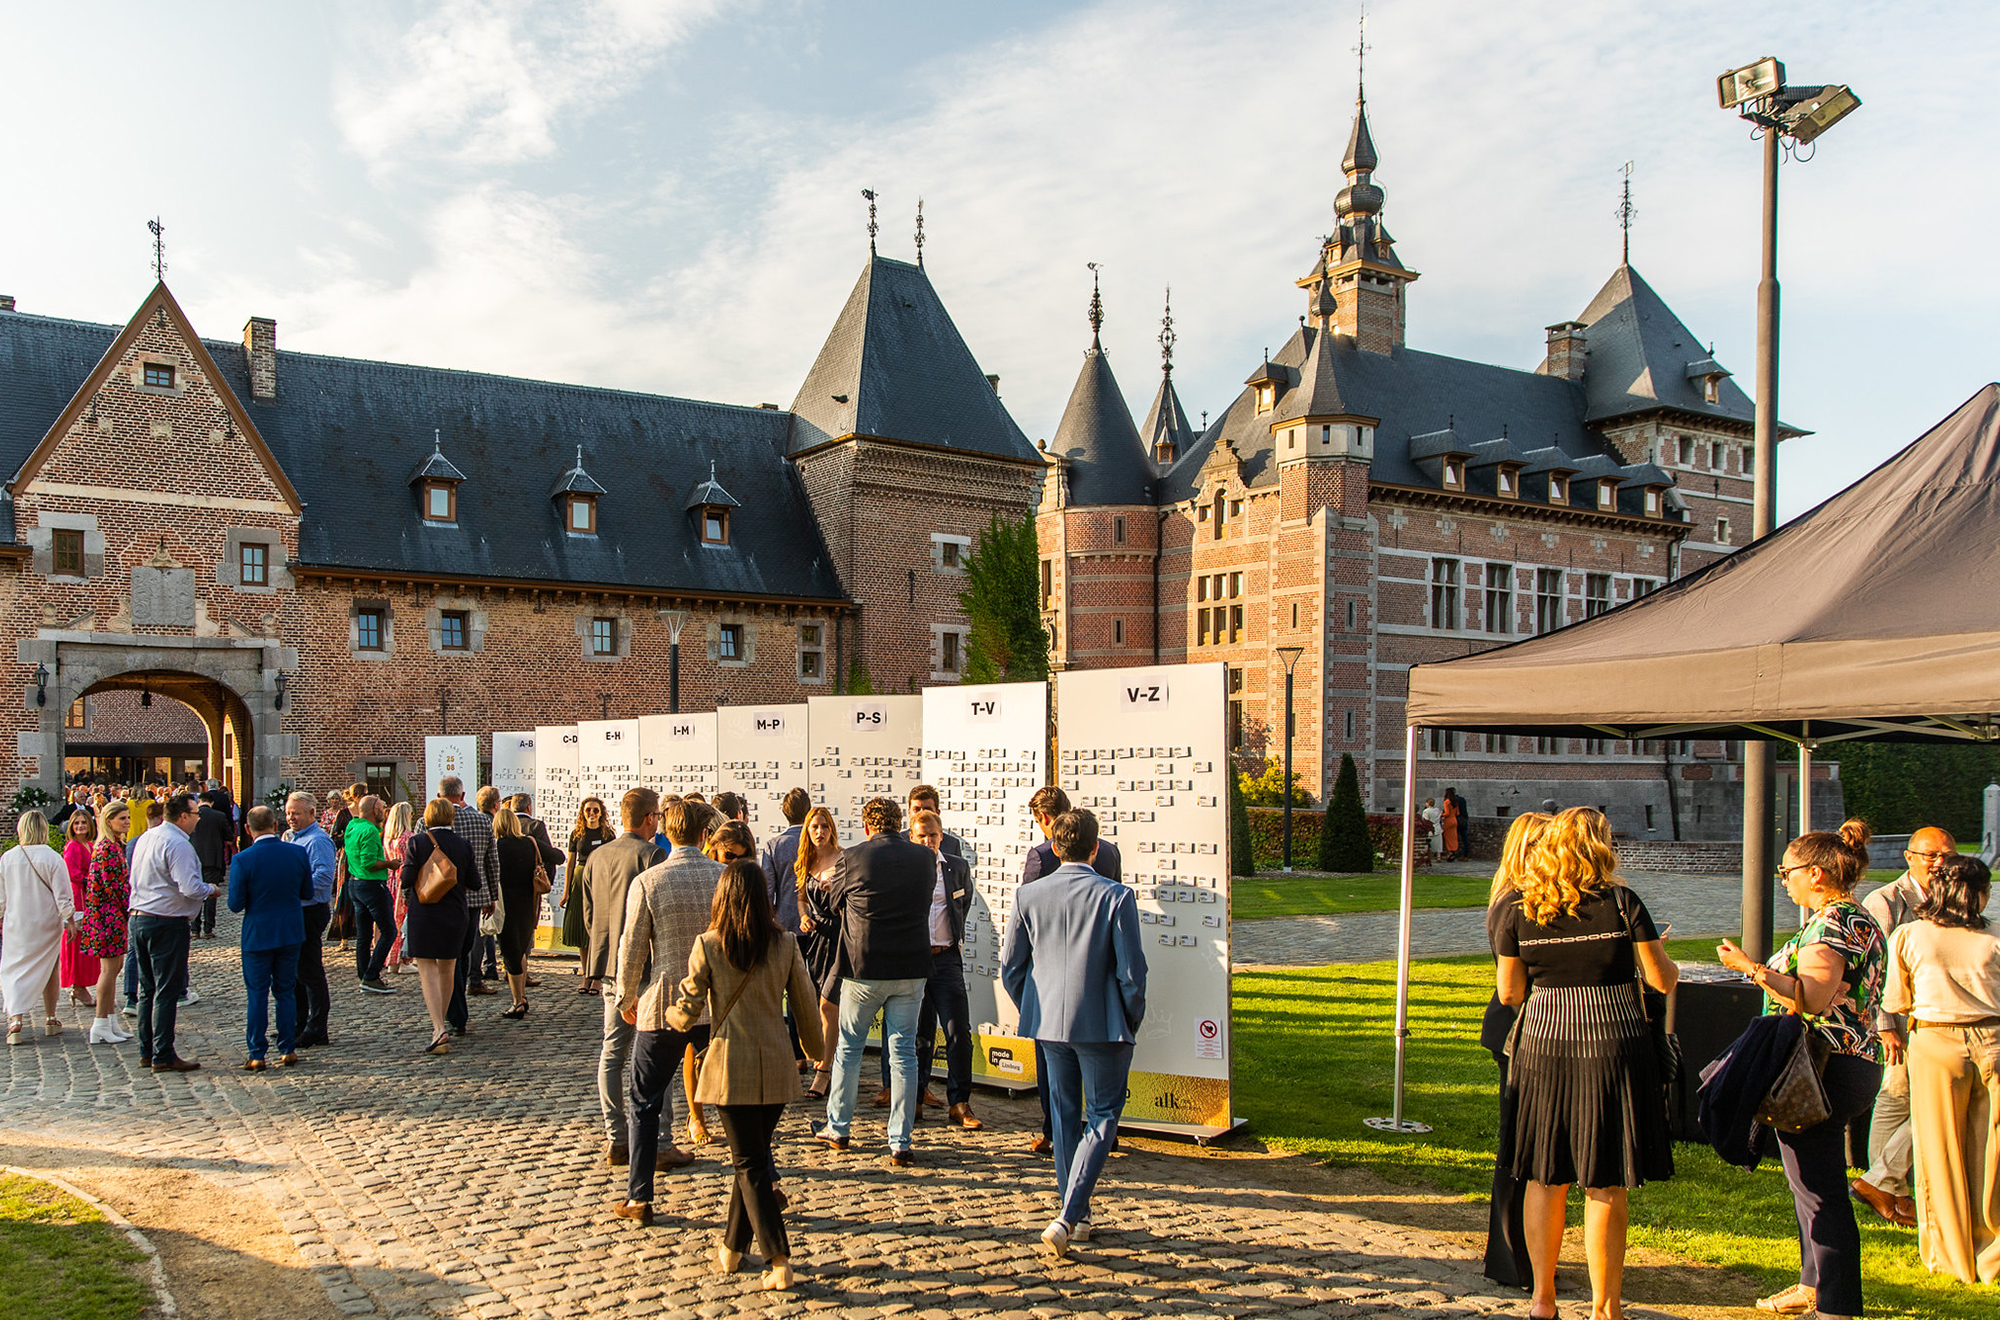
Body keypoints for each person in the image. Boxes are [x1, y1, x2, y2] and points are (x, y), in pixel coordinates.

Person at [1495, 806, 1677, 1320]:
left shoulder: (1519, 909)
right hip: (1614, 1047)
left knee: (1544, 1175)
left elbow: (1509, 992)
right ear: (1600, 847)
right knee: (1605, 1178)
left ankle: (1543, 1300)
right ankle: (1605, 1308)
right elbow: (1662, 980)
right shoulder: (1622, 902)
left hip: (1543, 1047)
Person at [1718, 820, 1883, 1320]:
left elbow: (1811, 997)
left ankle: (1836, 1305)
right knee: (1809, 1187)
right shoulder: (1855, 917)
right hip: (1850, 1064)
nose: (1782, 879)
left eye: (1787, 871)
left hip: (1823, 1069)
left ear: (1816, 873)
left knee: (1820, 1193)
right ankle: (1814, 1285)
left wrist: (1750, 969)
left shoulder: (1832, 925)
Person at [650, 860, 824, 1292]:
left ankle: (778, 1258)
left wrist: (667, 1019)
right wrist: (818, 1053)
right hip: (778, 1067)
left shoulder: (709, 944)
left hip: (730, 1068)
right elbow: (805, 1006)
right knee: (754, 1158)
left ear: (722, 897)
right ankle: (731, 1248)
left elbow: (687, 1008)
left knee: (749, 1162)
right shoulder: (784, 945)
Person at [1001, 808, 1147, 1258]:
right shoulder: (1116, 896)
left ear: (1055, 846)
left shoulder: (1029, 895)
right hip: (1103, 1023)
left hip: (1048, 1022)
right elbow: (1132, 975)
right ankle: (1071, 1214)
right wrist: (1129, 1018)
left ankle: (1076, 1212)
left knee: (1064, 1117)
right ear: (1096, 848)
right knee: (1103, 1115)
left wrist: (1035, 1004)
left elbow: (1011, 968)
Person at [1881, 854, 2000, 1284]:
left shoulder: (1910, 935)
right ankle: (1992, 1257)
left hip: (1934, 1039)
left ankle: (1950, 1258)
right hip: (1995, 1040)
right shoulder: (1996, 938)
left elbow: (1896, 1000)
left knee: (1940, 1153)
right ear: (1981, 893)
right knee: (1991, 1153)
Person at [610, 799, 723, 1216]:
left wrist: (625, 996)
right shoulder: (724, 877)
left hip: (665, 1002)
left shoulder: (650, 881)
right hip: (717, 1001)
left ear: (667, 832)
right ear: (703, 834)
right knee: (737, 1099)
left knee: (644, 1100)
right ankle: (765, 1182)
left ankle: (639, 1194)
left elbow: (632, 947)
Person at [814, 798, 934, 1166]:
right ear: (899, 823)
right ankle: (900, 1140)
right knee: (903, 1054)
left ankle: (839, 1128)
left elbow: (834, 903)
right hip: (912, 966)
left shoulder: (852, 857)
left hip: (864, 967)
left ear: (867, 827)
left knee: (849, 1049)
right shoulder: (925, 857)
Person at [1853, 824, 1958, 1227]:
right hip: (1899, 1020)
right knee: (1899, 1097)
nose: (1940, 863)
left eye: (1947, 855)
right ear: (1910, 857)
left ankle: (1883, 1183)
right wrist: (1884, 1025)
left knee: (1910, 1100)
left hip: (1938, 1017)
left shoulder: (1951, 897)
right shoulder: (1886, 900)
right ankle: (1886, 1189)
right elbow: (1874, 969)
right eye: (1932, 855)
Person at [1020, 785, 1123, 1155]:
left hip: (1051, 980)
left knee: (1054, 1067)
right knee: (1100, 1066)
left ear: (1044, 819)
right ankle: (1103, 1131)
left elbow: (1027, 923)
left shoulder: (1041, 855)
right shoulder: (1109, 850)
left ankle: (1054, 1131)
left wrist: (1027, 995)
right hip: (1101, 974)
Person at [1479, 810, 1553, 1292]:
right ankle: (1510, 1258)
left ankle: (1519, 1256)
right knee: (1518, 1145)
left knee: (1524, 1144)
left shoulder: (1516, 898)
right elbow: (1515, 987)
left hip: (1520, 1028)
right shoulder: (1516, 903)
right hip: (1519, 1030)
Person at [587, 788, 667, 1166]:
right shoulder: (652, 855)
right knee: (655, 1054)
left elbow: (589, 916)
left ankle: (616, 1136)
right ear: (650, 817)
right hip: (646, 967)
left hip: (609, 968)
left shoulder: (596, 855)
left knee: (612, 1052)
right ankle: (661, 1141)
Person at [127, 793, 219, 1072]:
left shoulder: (148, 836)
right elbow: (189, 887)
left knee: (147, 990)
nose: (198, 819)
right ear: (182, 816)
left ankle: (147, 1050)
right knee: (166, 991)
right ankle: (163, 1053)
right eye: (195, 814)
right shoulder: (178, 843)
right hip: (166, 921)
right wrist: (210, 890)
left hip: (140, 918)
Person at [903, 808, 979, 1129]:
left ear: (941, 835)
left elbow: (963, 902)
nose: (929, 841)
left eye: (933, 835)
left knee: (958, 1030)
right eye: (922, 836)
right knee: (918, 1035)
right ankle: (915, 1098)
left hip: (947, 959)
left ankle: (959, 1102)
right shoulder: (904, 869)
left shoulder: (958, 867)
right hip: (915, 959)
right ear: (912, 837)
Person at [228, 804, 313, 1070]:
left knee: (257, 994)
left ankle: (257, 1052)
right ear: (276, 826)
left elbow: (235, 903)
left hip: (258, 933)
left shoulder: (243, 859)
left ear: (247, 829)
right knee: (285, 991)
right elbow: (307, 892)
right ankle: (288, 1048)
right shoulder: (297, 853)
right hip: (289, 930)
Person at [398, 799, 477, 1055]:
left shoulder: (418, 842)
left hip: (426, 912)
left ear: (428, 818)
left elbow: (406, 878)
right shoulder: (464, 844)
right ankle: (440, 1025)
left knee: (427, 970)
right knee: (448, 969)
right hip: (455, 912)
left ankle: (438, 1027)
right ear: (451, 818)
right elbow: (475, 882)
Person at [1, 812, 75, 1045]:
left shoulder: (8, 858)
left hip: (17, 921)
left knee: (14, 968)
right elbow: (63, 894)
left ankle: (16, 1020)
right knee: (50, 966)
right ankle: (51, 1018)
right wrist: (70, 919)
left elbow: (2, 896)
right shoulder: (52, 857)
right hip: (45, 921)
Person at [439, 776, 500, 1032]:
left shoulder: (429, 822)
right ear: (462, 795)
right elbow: (491, 861)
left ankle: (454, 1010)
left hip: (440, 897)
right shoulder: (481, 820)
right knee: (464, 951)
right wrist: (492, 895)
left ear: (441, 796)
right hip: (475, 897)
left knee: (446, 955)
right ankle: (458, 1007)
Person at [794, 807, 843, 1099]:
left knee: (828, 1005)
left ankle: (823, 1073)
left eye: (824, 826)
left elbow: (853, 898)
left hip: (839, 936)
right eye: (814, 827)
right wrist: (802, 917)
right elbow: (800, 898)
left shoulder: (843, 858)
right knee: (813, 1004)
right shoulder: (805, 860)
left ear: (831, 829)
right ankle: (825, 1056)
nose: (820, 832)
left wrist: (835, 891)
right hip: (816, 938)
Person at [284, 792, 338, 1049]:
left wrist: (293, 888)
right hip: (296, 910)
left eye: (295, 813)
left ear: (311, 814)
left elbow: (324, 879)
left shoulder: (317, 841)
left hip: (310, 910)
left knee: (310, 971)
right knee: (295, 973)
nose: (291, 818)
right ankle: (298, 1024)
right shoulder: (292, 839)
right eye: (288, 813)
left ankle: (317, 1028)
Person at [80, 801, 134, 1044]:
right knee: (109, 970)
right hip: (106, 916)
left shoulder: (113, 846)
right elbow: (115, 886)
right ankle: (100, 1022)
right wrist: (131, 906)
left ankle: (110, 1020)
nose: (127, 821)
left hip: (110, 915)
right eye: (122, 818)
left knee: (114, 969)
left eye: (127, 817)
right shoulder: (107, 849)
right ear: (109, 821)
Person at [491, 803, 543, 1020]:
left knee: (510, 952)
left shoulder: (496, 846)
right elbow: (556, 856)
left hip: (506, 904)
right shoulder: (530, 843)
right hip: (527, 902)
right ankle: (521, 996)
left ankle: (517, 1001)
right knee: (521, 949)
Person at [345, 796, 396, 994]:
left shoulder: (353, 826)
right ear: (374, 810)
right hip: (371, 884)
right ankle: (372, 975)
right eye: (382, 807)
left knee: (364, 935)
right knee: (389, 931)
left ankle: (364, 973)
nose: (384, 811)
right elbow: (369, 862)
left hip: (355, 884)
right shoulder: (370, 830)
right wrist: (390, 864)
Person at [567, 797, 614, 990]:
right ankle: (586, 974)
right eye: (588, 810)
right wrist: (566, 891)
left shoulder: (607, 834)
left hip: (600, 879)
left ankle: (597, 976)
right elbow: (570, 862)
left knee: (598, 927)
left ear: (601, 812)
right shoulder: (577, 833)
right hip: (580, 878)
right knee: (581, 929)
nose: (591, 814)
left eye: (595, 810)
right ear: (582, 812)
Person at [758, 788, 811, 935]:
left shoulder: (773, 846)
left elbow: (768, 890)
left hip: (784, 921)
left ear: (785, 812)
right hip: (814, 921)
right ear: (809, 811)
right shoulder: (816, 842)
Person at [59, 810, 99, 1008]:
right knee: (76, 945)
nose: (80, 826)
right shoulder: (73, 847)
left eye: (83, 822)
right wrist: (92, 881)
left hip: (89, 897)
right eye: (77, 823)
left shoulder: (89, 845)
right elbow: (72, 873)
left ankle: (82, 984)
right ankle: (77, 986)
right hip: (78, 898)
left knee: (87, 946)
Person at [189, 791, 233, 939]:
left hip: (194, 859)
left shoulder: (192, 817)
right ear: (212, 802)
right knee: (211, 893)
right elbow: (229, 837)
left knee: (195, 894)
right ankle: (208, 928)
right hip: (213, 859)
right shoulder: (219, 816)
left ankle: (195, 929)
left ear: (199, 801)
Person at [382, 801, 418, 974]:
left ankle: (391, 959)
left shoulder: (388, 837)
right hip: (404, 881)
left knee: (392, 921)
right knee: (404, 920)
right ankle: (404, 959)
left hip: (391, 880)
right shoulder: (408, 837)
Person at [905, 785, 965, 859]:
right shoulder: (897, 842)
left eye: (927, 809)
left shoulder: (951, 845)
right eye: (917, 809)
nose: (922, 813)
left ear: (937, 812)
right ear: (909, 812)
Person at [1441, 788, 1464, 861]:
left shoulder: (1447, 802)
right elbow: (1458, 813)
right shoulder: (1455, 802)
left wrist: (1441, 814)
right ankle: (1454, 850)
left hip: (1448, 821)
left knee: (1448, 837)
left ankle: (1450, 852)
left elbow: (1447, 813)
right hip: (1454, 820)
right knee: (1453, 837)